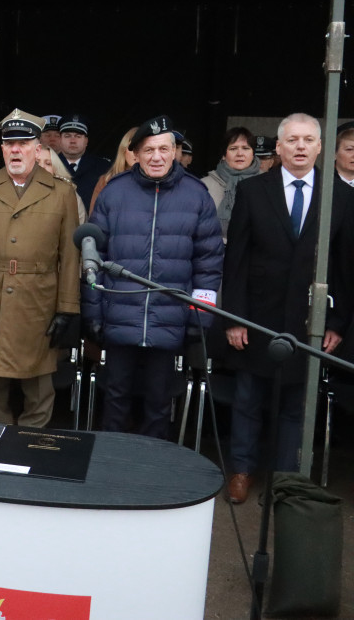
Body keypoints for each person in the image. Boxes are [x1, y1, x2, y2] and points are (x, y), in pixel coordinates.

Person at [222, 113, 354, 504]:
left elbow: (345, 266)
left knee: (296, 405)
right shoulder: (253, 190)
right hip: (256, 316)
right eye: (292, 140)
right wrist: (234, 318)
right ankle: (241, 471)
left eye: (308, 140)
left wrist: (337, 323)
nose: (300, 146)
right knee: (248, 399)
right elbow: (236, 260)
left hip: (308, 319)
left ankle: (284, 481)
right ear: (278, 147)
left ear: (320, 147)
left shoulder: (340, 196)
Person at [84, 115, 223, 440]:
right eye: (149, 150)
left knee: (159, 403)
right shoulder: (114, 192)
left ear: (175, 152)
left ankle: (154, 468)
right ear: (135, 154)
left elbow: (208, 262)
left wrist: (200, 315)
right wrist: (93, 312)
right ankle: (110, 461)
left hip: (170, 318)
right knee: (115, 398)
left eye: (164, 149)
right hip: (119, 316)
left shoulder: (197, 195)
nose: (157, 157)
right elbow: (93, 258)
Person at [0, 109, 80, 428]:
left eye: (23, 143)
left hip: (39, 299)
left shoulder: (62, 192)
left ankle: (29, 443)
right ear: (2, 148)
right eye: (9, 143)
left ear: (37, 149)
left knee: (38, 385)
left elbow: (70, 257)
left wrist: (67, 308)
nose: (15, 150)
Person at [201, 127, 261, 239]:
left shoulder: (266, 184)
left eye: (246, 148)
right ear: (224, 155)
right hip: (215, 247)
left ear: (253, 153)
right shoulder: (204, 186)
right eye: (233, 149)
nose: (240, 153)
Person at [57, 113, 109, 207]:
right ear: (60, 140)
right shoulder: (47, 165)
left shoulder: (104, 167)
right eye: (67, 136)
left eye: (78, 136)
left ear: (86, 141)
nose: (73, 141)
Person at [89, 128, 138, 215]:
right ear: (123, 150)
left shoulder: (158, 182)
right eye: (131, 148)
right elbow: (95, 218)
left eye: (142, 148)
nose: (136, 153)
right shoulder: (105, 181)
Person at [38, 146, 86, 224]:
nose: (42, 166)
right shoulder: (18, 191)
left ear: (55, 169)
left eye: (48, 163)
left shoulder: (68, 194)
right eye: (36, 162)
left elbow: (77, 225)